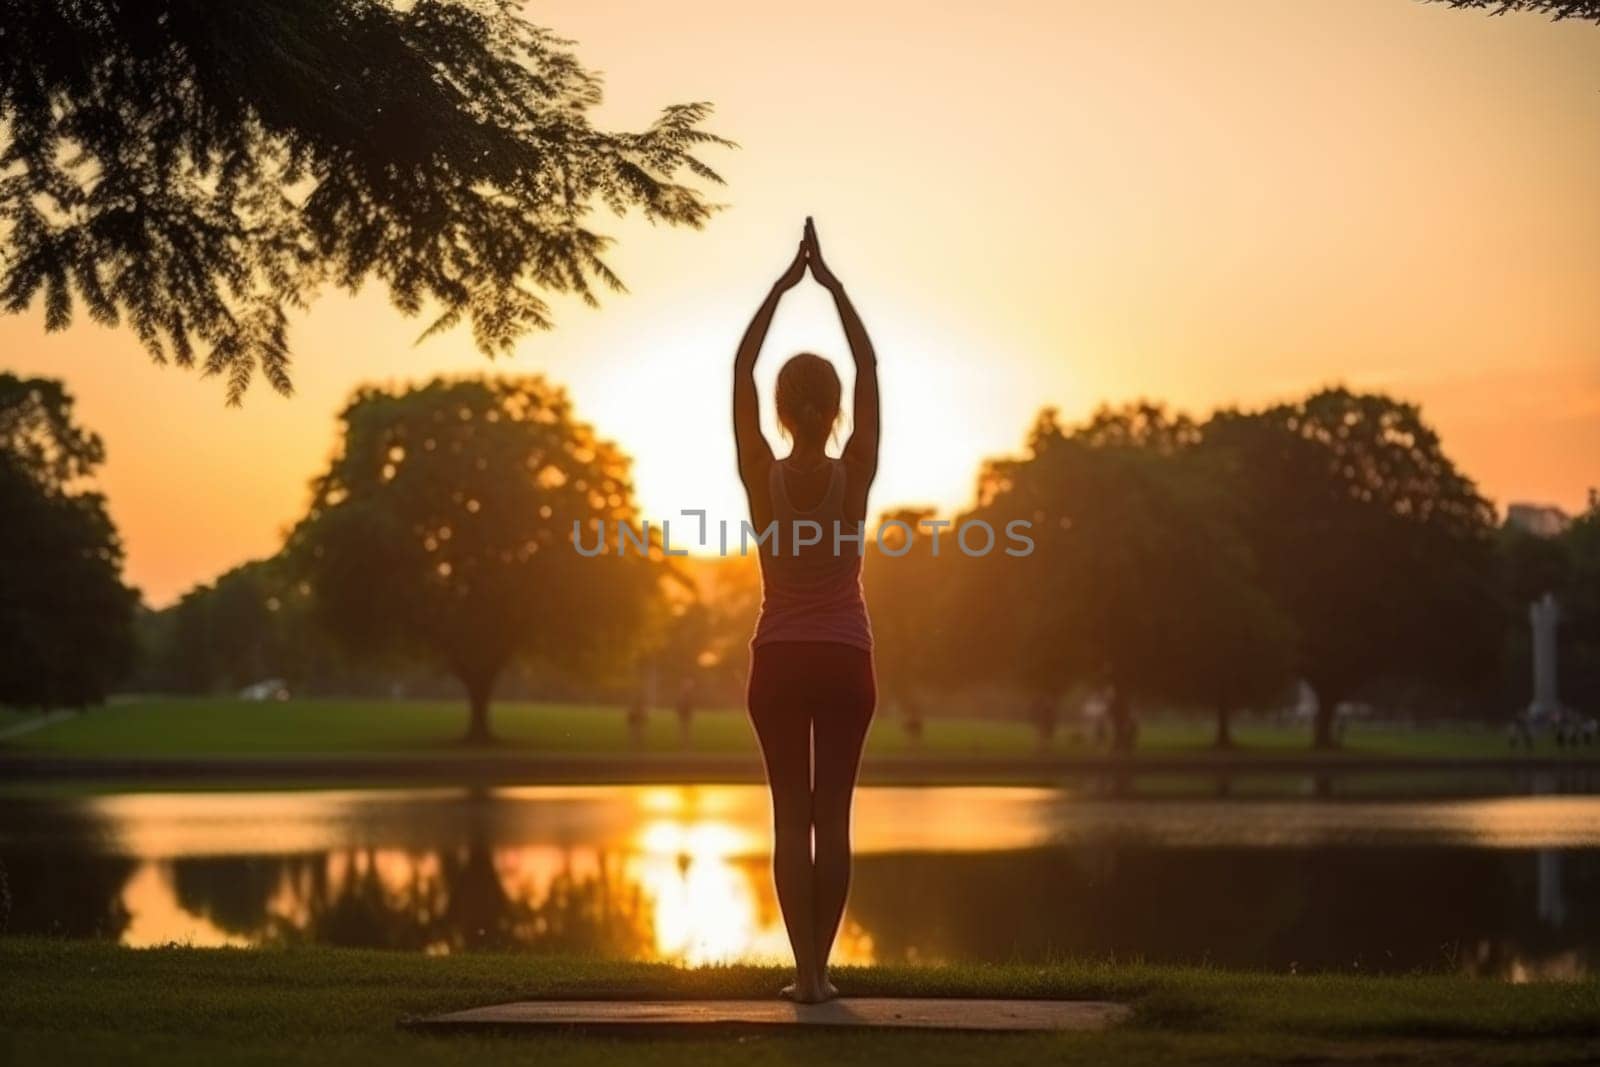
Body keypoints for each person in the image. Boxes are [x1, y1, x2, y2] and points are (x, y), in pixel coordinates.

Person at [732, 217, 879, 1003]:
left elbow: (741, 366)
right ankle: (820, 975)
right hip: (846, 659)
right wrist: (835, 288)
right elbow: (869, 362)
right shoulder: (857, 469)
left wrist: (782, 289)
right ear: (834, 410)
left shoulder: (760, 471)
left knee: (791, 819)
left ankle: (808, 977)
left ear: (786, 411)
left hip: (781, 659)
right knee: (835, 819)